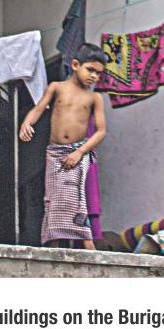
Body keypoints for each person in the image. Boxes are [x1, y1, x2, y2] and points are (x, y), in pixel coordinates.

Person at [18, 42, 108, 249]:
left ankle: (88, 247)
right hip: (55, 153)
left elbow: (101, 131)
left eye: (98, 73)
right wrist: (26, 123)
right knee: (53, 199)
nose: (94, 76)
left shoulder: (94, 98)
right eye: (90, 70)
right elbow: (38, 109)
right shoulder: (56, 88)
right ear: (75, 65)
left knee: (77, 199)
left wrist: (79, 152)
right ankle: (54, 246)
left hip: (77, 153)